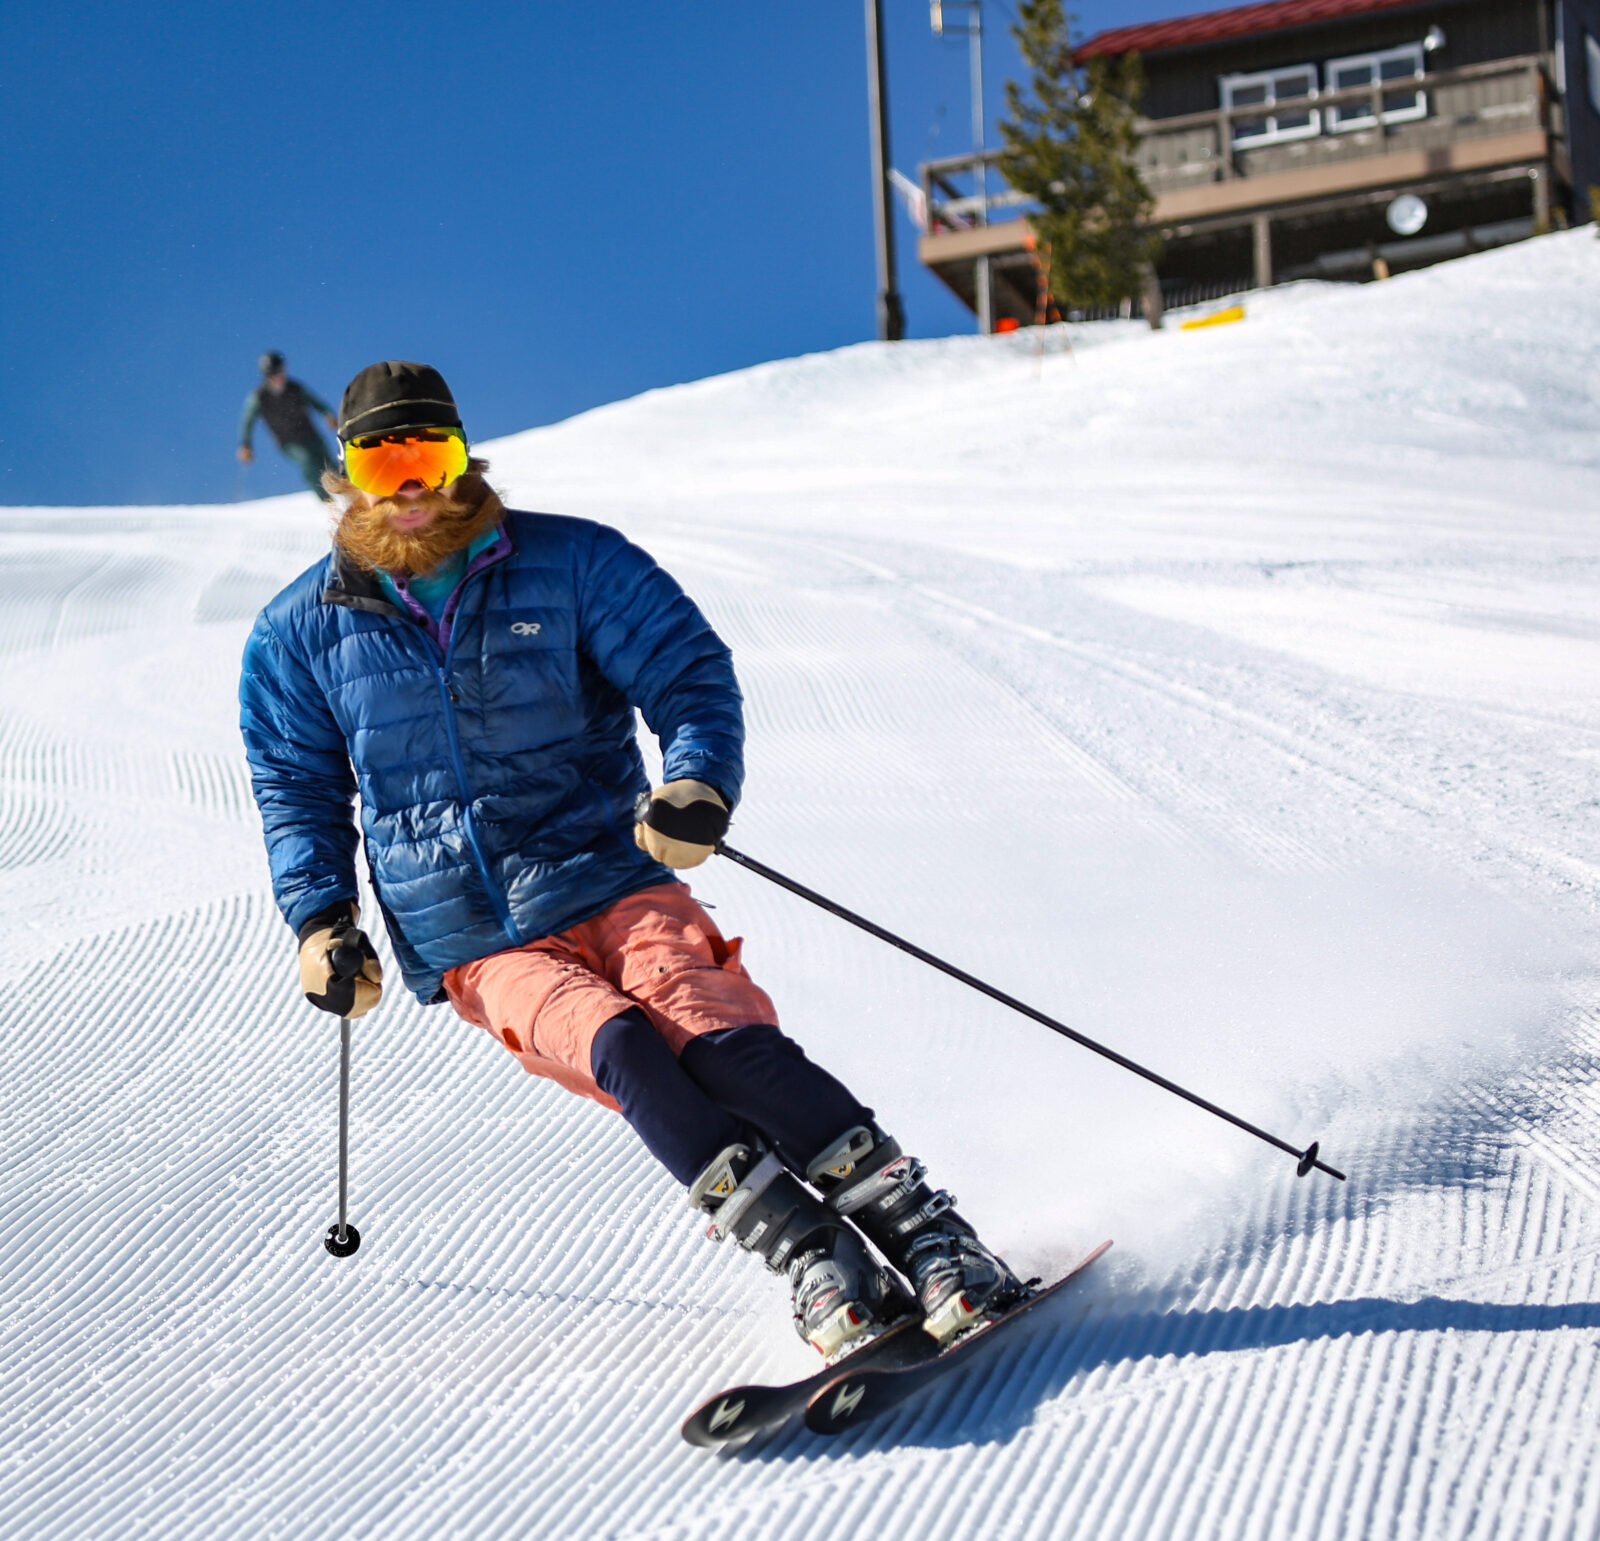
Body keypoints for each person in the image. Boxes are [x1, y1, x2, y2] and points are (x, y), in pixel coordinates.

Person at [239, 360, 1019, 1359]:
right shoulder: (297, 633)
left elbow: (685, 672)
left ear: (461, 450)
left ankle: (930, 1234)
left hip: (610, 872)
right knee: (622, 1049)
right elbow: (296, 786)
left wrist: (695, 782)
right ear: (347, 472)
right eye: (380, 459)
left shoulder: (570, 564)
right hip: (475, 933)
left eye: (425, 452)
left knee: (712, 1040)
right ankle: (813, 1253)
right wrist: (320, 921)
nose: (408, 485)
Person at [239, 352, 339, 500]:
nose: (279, 376)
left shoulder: (295, 388)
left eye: (280, 371)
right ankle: (326, 501)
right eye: (274, 373)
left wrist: (327, 414)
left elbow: (315, 401)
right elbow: (247, 421)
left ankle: (351, 492)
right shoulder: (259, 397)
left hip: (310, 434)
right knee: (308, 462)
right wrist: (246, 444)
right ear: (266, 375)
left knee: (329, 463)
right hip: (288, 442)